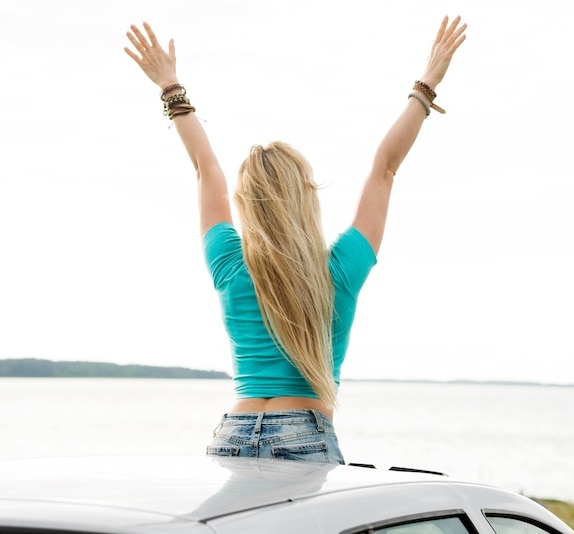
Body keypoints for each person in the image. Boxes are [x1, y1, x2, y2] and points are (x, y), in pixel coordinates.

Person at [124, 15, 466, 465]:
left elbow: (206, 168)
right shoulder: (340, 269)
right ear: (307, 195)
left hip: (232, 434)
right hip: (302, 432)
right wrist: (426, 85)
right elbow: (385, 166)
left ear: (247, 201)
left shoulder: (229, 262)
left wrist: (170, 86)